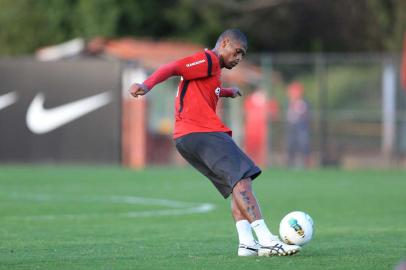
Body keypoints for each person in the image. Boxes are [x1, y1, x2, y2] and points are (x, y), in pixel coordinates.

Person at [128, 29, 300, 257]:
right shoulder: (208, 59)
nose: (239, 58)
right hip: (201, 132)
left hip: (187, 138)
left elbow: (206, 90)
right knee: (242, 180)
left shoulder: (212, 70)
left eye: (243, 55)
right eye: (238, 52)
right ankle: (267, 239)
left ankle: (247, 244)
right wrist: (147, 85)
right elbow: (172, 67)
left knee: (237, 182)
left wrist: (227, 92)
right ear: (225, 43)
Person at [286, 82, 311, 168]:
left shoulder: (304, 103)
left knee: (303, 144)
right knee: (290, 145)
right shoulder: (288, 103)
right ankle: (290, 163)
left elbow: (305, 115)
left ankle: (306, 163)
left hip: (301, 128)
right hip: (291, 127)